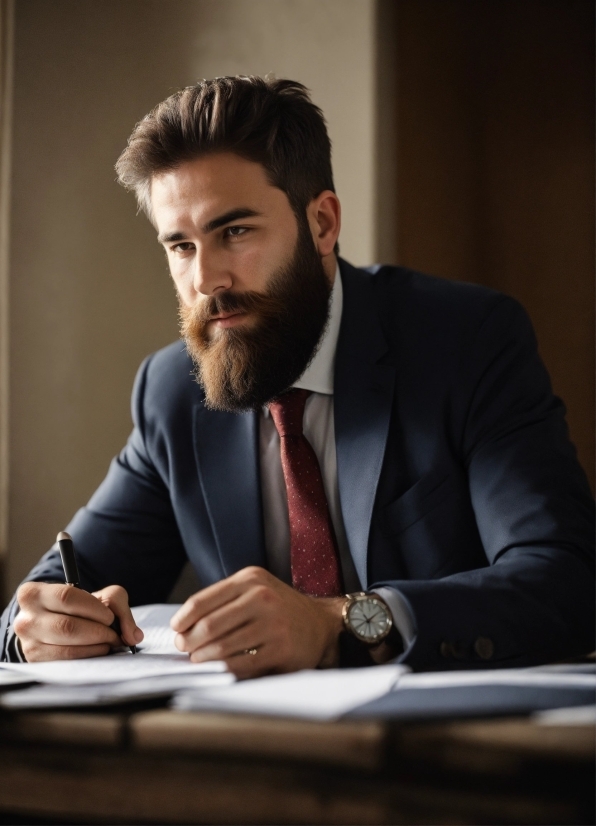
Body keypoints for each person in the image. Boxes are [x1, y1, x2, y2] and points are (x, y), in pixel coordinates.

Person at [1, 76, 593, 676]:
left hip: (450, 750)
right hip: (258, 752)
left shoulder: (466, 341)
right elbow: (51, 590)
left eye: (234, 232)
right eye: (180, 246)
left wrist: (343, 623)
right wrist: (36, 631)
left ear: (322, 225)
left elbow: (566, 579)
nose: (206, 280)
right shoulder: (170, 391)